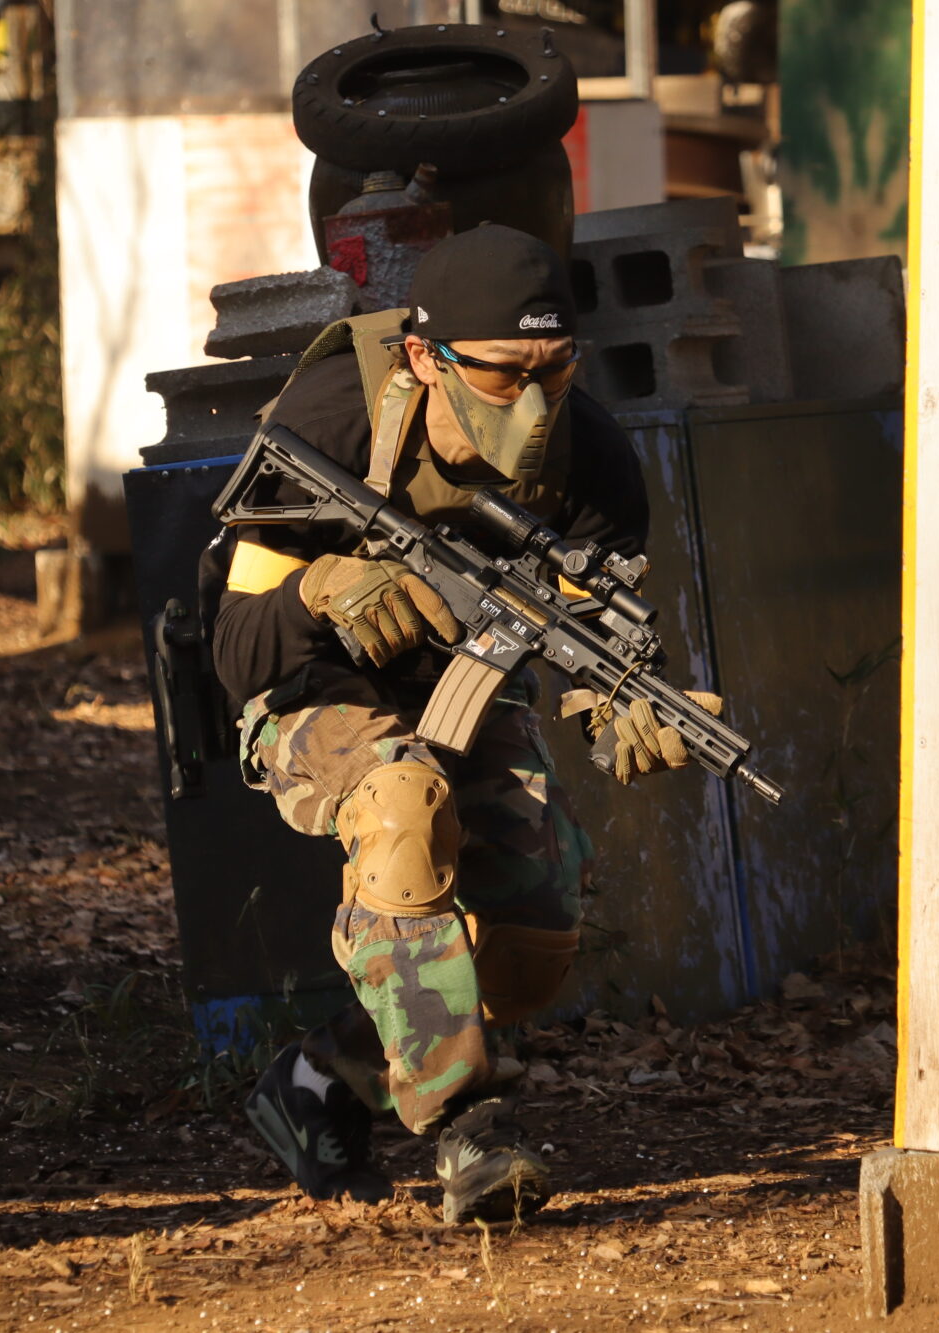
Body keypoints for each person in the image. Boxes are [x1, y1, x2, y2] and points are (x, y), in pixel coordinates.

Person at [208, 224, 706, 1224]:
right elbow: (236, 651)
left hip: (463, 684)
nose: (533, 404)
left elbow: (585, 648)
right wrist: (317, 589)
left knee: (530, 941)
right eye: (502, 374)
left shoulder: (591, 461)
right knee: (402, 803)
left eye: (555, 370)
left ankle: (319, 1078)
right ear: (424, 358)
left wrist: (622, 711)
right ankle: (468, 1131)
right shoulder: (332, 418)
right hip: (309, 689)